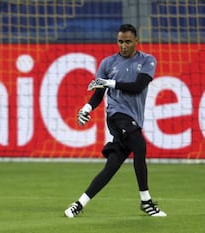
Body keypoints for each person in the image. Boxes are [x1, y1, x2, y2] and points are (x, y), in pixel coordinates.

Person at [64, 24, 167, 218]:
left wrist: (109, 83)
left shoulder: (147, 61)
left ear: (137, 41)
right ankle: (146, 201)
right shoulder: (108, 64)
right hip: (117, 116)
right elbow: (98, 95)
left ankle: (79, 204)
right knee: (140, 146)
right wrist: (86, 108)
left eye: (128, 41)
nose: (124, 45)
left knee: (112, 166)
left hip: (133, 118)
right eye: (120, 41)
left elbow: (138, 86)